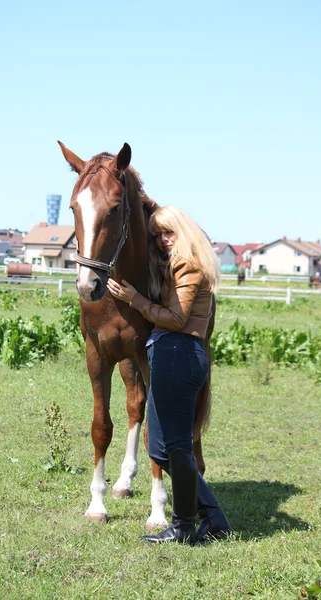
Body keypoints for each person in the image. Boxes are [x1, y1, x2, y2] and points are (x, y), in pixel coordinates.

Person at [107, 206, 231, 545]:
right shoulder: (171, 264)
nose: (162, 241)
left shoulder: (188, 265)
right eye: (156, 235)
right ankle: (215, 518)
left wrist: (135, 300)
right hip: (168, 355)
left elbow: (177, 318)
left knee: (175, 446)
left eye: (168, 233)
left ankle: (183, 525)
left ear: (183, 231)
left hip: (179, 353)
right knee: (159, 448)